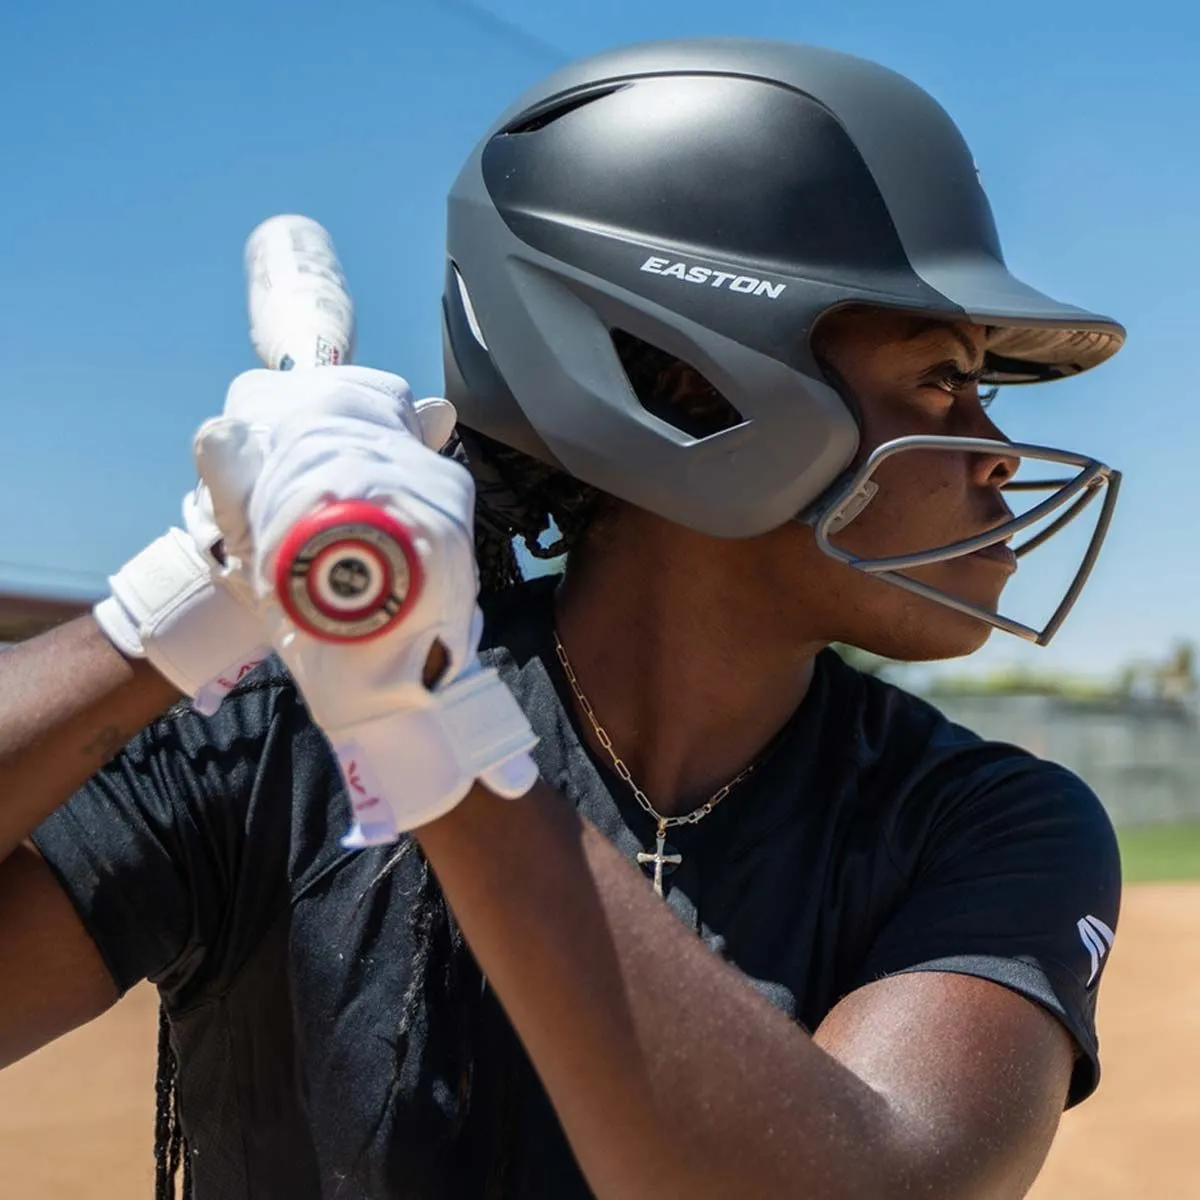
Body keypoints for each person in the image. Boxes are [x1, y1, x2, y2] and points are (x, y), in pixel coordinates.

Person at [0, 38, 1125, 1200]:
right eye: (941, 379)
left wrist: (426, 728)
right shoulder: (280, 745)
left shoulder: (982, 821)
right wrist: (192, 593)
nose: (995, 450)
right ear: (687, 380)